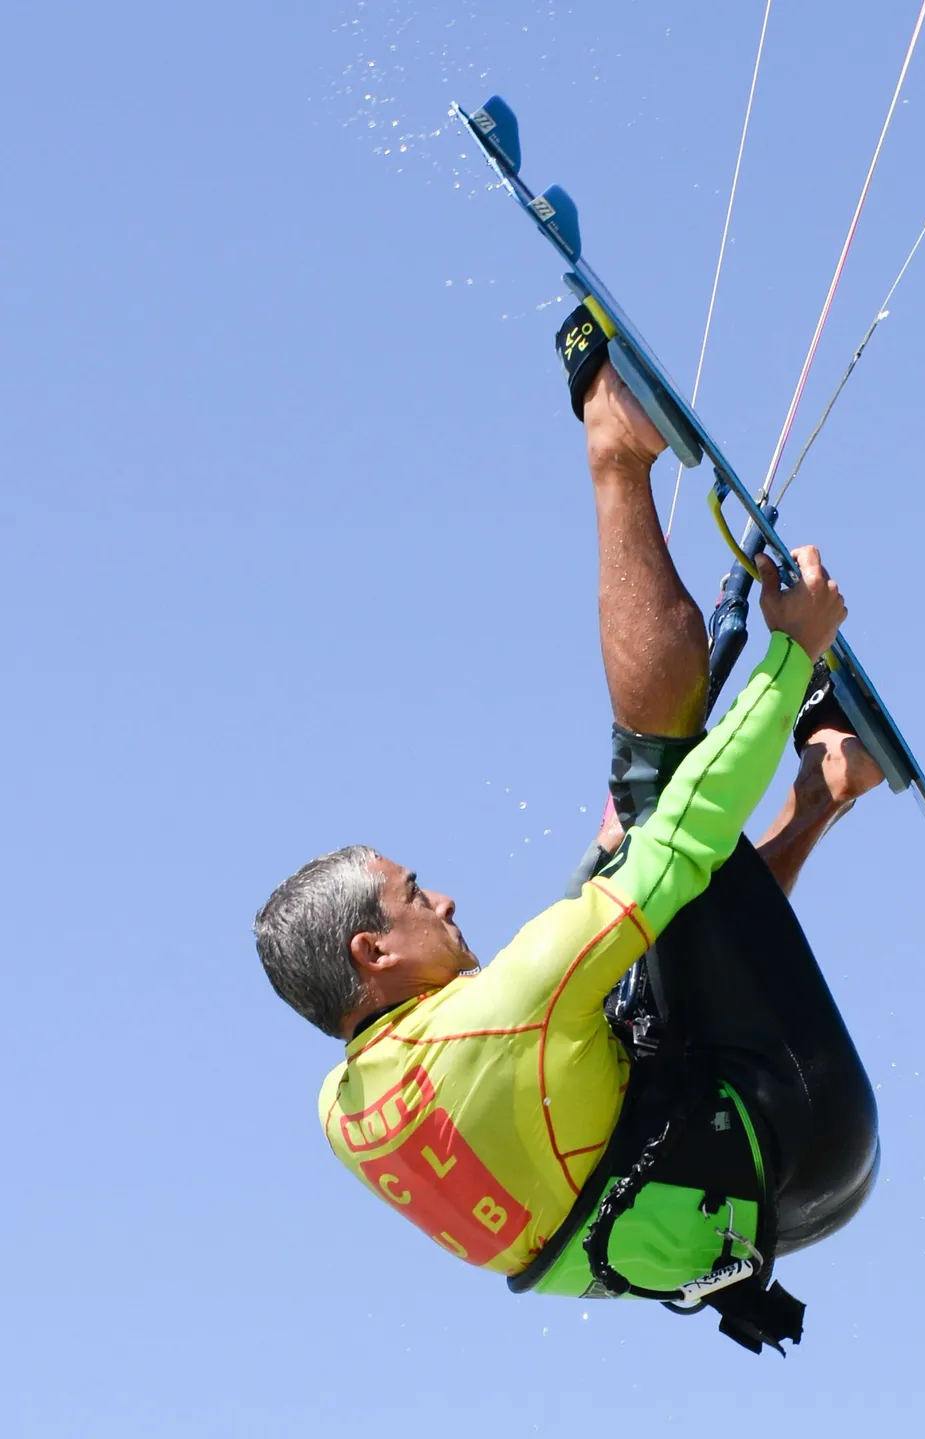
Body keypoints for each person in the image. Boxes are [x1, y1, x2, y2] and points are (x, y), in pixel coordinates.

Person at [253, 310, 884, 1353]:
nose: (446, 899)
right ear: (370, 951)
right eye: (417, 895)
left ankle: (826, 788)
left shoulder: (343, 1110)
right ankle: (611, 442)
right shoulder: (504, 1015)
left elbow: (524, 1053)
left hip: (723, 1197)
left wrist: (603, 870)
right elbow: (675, 845)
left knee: (637, 958)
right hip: (792, 1121)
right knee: (654, 785)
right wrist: (787, 660)